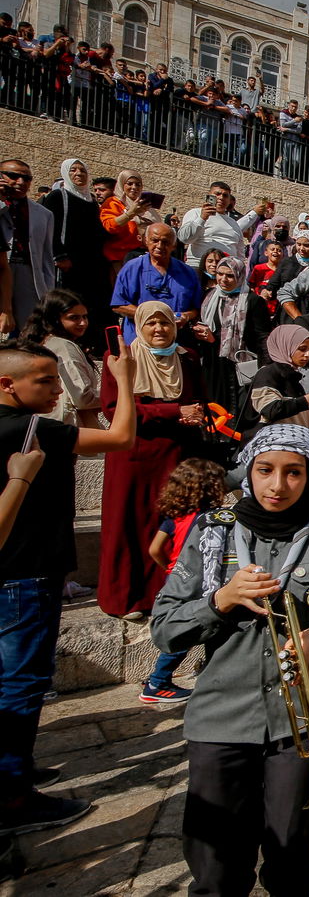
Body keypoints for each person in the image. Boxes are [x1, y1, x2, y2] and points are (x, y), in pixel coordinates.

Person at [150, 424, 309, 896]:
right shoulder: (213, 533)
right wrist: (221, 600)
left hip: (302, 720)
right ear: (247, 472)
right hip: (220, 718)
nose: (277, 485)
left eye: (293, 473)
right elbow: (165, 628)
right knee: (214, 864)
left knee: (291, 851)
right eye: (265, 471)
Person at [0, 337, 136, 835]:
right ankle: (13, 795)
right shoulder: (36, 431)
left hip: (9, 573)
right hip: (28, 574)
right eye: (46, 381)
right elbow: (120, 438)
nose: (57, 390)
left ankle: (13, 768)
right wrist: (122, 379)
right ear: (6, 385)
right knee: (23, 682)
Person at [98, 301, 205, 621]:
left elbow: (196, 401)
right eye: (151, 324)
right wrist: (175, 412)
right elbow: (114, 409)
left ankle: (168, 595)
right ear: (139, 327)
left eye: (166, 324)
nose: (159, 329)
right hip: (134, 455)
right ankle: (128, 599)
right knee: (129, 524)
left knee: (171, 524)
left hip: (176, 454)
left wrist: (198, 413)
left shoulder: (187, 359)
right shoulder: (120, 360)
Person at [142, 457, 226, 703]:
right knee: (188, 631)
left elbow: (155, 549)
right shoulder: (209, 518)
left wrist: (171, 567)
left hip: (177, 578)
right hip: (198, 580)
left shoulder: (174, 517)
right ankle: (157, 682)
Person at [40, 158, 110, 343]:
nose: (79, 174)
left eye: (82, 170)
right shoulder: (58, 197)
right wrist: (59, 255)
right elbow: (49, 228)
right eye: (73, 170)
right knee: (66, 302)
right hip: (68, 263)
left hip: (90, 263)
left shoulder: (91, 201)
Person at [196, 255, 272, 418]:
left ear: (239, 276)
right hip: (213, 363)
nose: (223, 279)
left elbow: (263, 336)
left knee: (239, 408)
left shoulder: (252, 301)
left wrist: (266, 366)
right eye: (220, 274)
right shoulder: (209, 297)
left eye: (230, 275)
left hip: (240, 363)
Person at [20, 289, 100, 427]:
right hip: (69, 429)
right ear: (55, 319)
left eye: (85, 317)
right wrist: (117, 395)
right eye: (74, 318)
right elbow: (82, 397)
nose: (83, 323)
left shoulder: (40, 343)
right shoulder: (62, 346)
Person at [111, 224, 202, 344]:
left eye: (165, 242)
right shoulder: (132, 269)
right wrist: (153, 316)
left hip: (175, 341)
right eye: (155, 240)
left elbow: (197, 308)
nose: (160, 246)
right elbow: (118, 305)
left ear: (173, 245)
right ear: (146, 241)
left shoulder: (187, 273)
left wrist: (186, 316)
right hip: (138, 341)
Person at [0, 159, 56, 330]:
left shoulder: (44, 214)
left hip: (28, 271)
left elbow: (47, 256)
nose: (20, 182)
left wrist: (48, 289)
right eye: (12, 176)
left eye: (27, 178)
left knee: (29, 327)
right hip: (1, 267)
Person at [177, 181, 259, 262]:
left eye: (225, 195)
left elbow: (239, 250)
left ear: (229, 200)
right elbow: (185, 238)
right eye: (217, 194)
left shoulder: (233, 223)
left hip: (225, 271)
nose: (221, 198)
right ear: (209, 196)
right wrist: (202, 218)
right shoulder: (196, 213)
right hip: (199, 266)